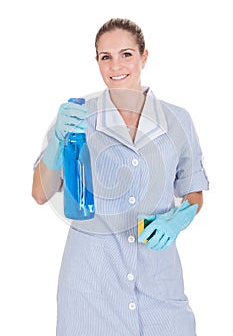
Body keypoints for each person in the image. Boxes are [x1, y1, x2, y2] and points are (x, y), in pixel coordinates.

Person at [32, 18, 209, 336]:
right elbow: (40, 193)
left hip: (159, 286)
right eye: (106, 56)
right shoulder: (76, 117)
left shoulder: (176, 120)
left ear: (144, 57)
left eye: (126, 54)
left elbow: (193, 192)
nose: (116, 65)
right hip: (91, 289)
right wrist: (58, 141)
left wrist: (178, 218)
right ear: (97, 61)